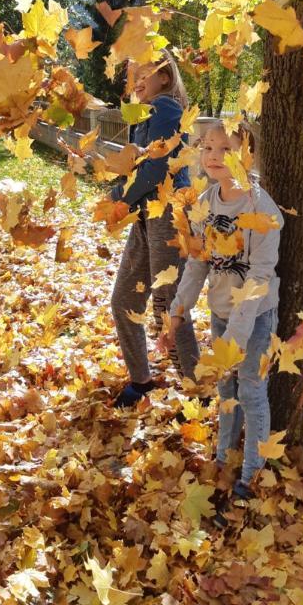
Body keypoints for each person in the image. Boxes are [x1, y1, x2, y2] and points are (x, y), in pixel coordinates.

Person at [161, 120, 283, 501]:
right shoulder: (203, 204)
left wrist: (236, 338)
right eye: (207, 148)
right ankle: (225, 459)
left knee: (250, 392)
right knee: (226, 390)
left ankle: (251, 477)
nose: (213, 156)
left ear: (246, 155)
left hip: (256, 319)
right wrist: (177, 311)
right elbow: (196, 264)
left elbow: (260, 276)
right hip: (220, 314)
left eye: (225, 149)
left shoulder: (261, 209)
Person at [109, 50, 200, 408]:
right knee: (124, 301)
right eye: (133, 72)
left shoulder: (166, 109)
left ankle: (198, 392)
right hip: (146, 213)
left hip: (169, 211)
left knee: (168, 305)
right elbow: (135, 164)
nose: (138, 78)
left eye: (146, 70)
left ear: (165, 77)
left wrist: (118, 197)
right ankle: (142, 381)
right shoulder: (143, 112)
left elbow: (155, 168)